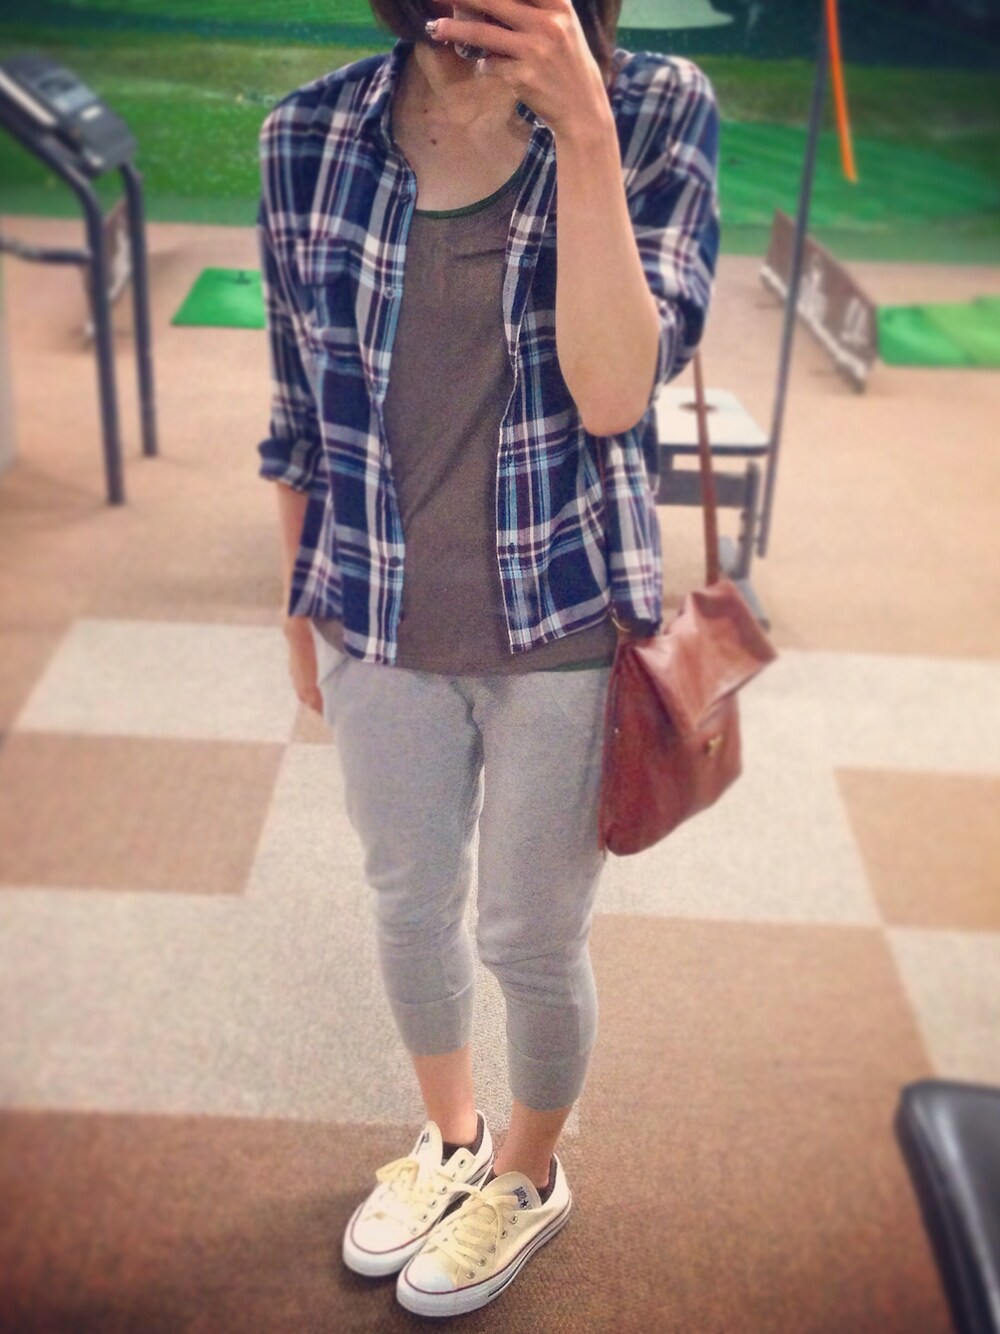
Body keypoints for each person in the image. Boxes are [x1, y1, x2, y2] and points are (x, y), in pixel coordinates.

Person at [256, 0, 719, 1318]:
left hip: (563, 623)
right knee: (406, 901)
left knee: (528, 932)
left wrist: (583, 130)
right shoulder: (308, 134)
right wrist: (299, 610)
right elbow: (297, 407)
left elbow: (616, 389)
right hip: (375, 612)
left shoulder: (655, 109)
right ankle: (453, 1136)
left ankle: (528, 1167)